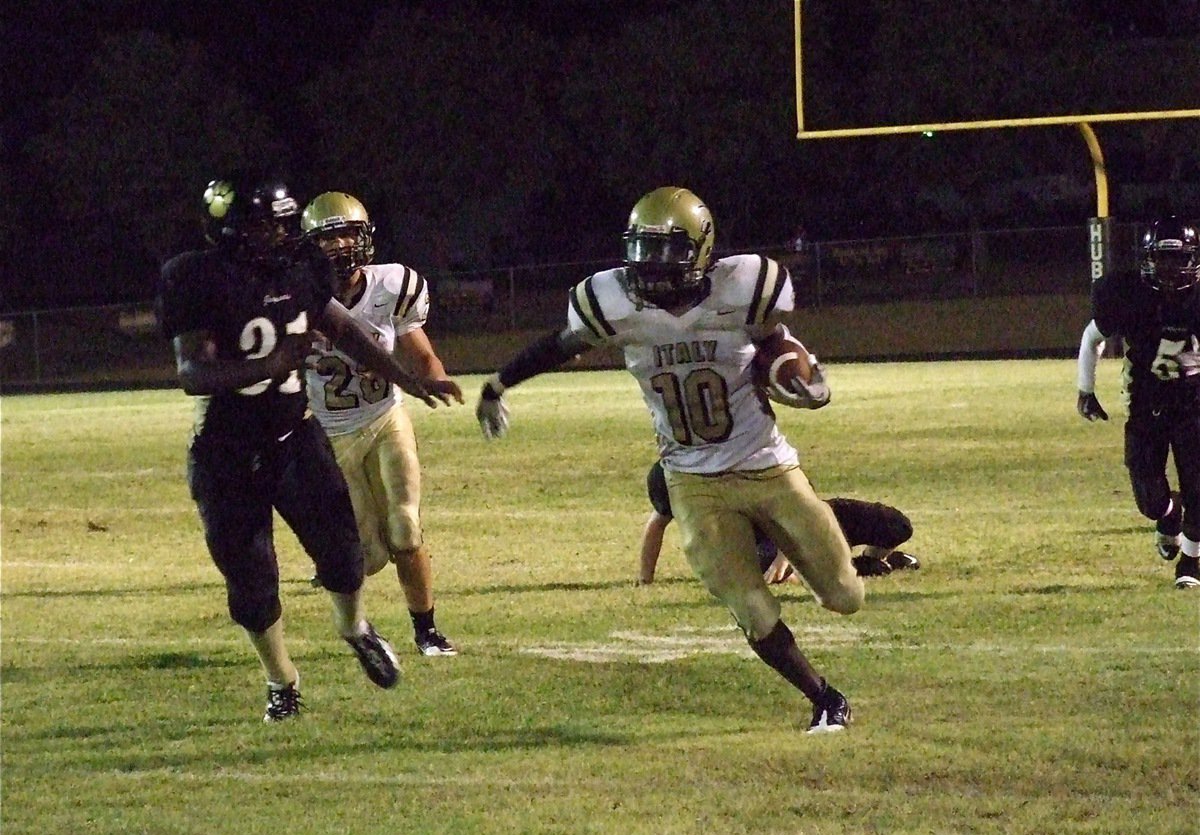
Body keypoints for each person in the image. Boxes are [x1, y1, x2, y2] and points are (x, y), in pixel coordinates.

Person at [475, 186, 862, 734]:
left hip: (766, 464)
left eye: (666, 251)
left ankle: (802, 543)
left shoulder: (744, 288)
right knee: (749, 606)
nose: (650, 266)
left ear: (702, 251)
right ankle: (824, 697)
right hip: (691, 479)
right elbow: (564, 343)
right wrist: (498, 382)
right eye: (643, 250)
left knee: (846, 596)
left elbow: (776, 340)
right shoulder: (613, 302)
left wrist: (801, 370)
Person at [156, 172, 460, 722]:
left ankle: (355, 628)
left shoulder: (299, 270)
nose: (282, 235)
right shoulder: (195, 277)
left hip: (294, 437)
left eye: (283, 223)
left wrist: (407, 377)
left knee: (346, 557)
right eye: (269, 226)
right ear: (234, 230)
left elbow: (344, 331)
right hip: (226, 452)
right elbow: (191, 371)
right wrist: (268, 365)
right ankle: (282, 682)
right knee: (253, 582)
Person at [299, 191, 463, 656]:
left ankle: (427, 630)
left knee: (406, 530)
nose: (342, 247)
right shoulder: (297, 297)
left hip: (384, 417)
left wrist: (436, 377)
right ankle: (360, 625)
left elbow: (422, 350)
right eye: (329, 239)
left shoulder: (394, 284)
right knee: (366, 558)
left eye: (349, 234)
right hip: (330, 434)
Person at [1076, 216, 1200, 590]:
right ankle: (1168, 513)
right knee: (1148, 496)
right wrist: (1086, 389)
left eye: (1179, 259)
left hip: (1195, 400)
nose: (1170, 268)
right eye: (1162, 259)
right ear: (1147, 260)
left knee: (1198, 485)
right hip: (1148, 403)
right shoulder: (1130, 294)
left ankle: (1191, 563)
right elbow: (1092, 336)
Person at [637, 459, 919, 585]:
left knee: (897, 526)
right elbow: (657, 523)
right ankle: (860, 567)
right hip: (765, 539)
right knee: (768, 569)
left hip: (810, 519)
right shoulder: (674, 475)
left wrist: (787, 556)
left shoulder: (751, 459)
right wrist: (645, 579)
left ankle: (872, 560)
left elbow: (796, 506)